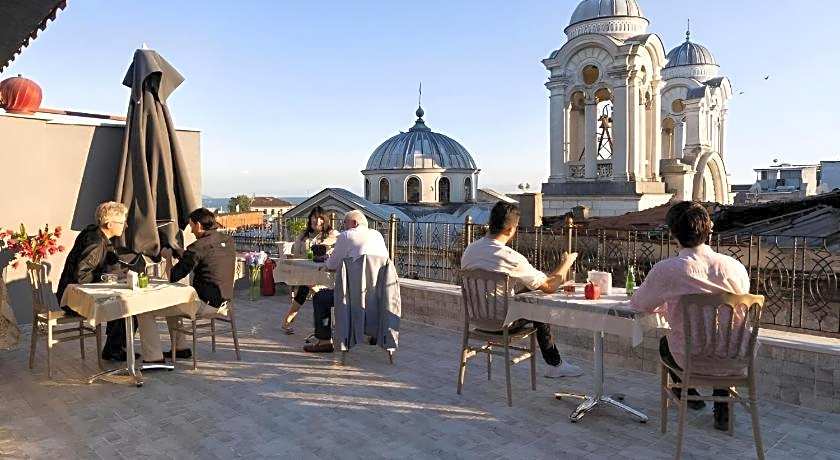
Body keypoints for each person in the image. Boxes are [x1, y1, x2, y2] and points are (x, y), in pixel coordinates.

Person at [630, 201, 750, 431]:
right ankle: (722, 407)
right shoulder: (735, 267)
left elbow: (640, 303)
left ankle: (687, 391)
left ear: (672, 232)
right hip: (736, 358)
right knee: (720, 338)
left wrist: (666, 307)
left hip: (690, 360)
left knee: (666, 344)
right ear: (709, 228)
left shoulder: (668, 270)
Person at [460, 201, 583, 378]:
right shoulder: (510, 257)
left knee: (528, 291)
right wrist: (566, 264)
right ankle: (555, 364)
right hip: (502, 323)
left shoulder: (470, 250)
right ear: (511, 229)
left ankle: (555, 363)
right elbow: (549, 287)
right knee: (538, 301)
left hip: (476, 319)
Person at [139, 208, 236, 362]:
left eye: (191, 226)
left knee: (144, 311)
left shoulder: (197, 247)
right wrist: (185, 254)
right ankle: (180, 348)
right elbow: (209, 257)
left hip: (204, 305)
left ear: (198, 225)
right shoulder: (228, 240)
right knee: (175, 304)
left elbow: (173, 276)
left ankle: (153, 358)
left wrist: (168, 258)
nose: (190, 230)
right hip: (225, 303)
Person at [56, 201, 136, 361]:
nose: (125, 226)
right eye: (122, 222)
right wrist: (110, 277)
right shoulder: (96, 243)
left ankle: (114, 349)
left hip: (68, 293)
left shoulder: (94, 233)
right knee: (128, 309)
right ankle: (114, 349)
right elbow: (82, 276)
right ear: (109, 224)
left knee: (121, 304)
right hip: (74, 300)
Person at [303, 210, 389, 353]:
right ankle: (373, 333)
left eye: (345, 223)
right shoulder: (377, 235)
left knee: (320, 298)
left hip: (351, 298)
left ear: (354, 223)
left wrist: (329, 261)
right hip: (378, 295)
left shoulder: (347, 236)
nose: (343, 227)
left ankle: (324, 341)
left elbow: (331, 265)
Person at [281, 206, 339, 334]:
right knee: (307, 284)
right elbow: (296, 254)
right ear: (310, 219)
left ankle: (288, 320)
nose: (316, 221)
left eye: (319, 218)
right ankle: (327, 323)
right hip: (305, 270)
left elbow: (335, 250)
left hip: (326, 273)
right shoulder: (303, 235)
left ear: (324, 220)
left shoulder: (332, 234)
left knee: (306, 287)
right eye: (314, 217)